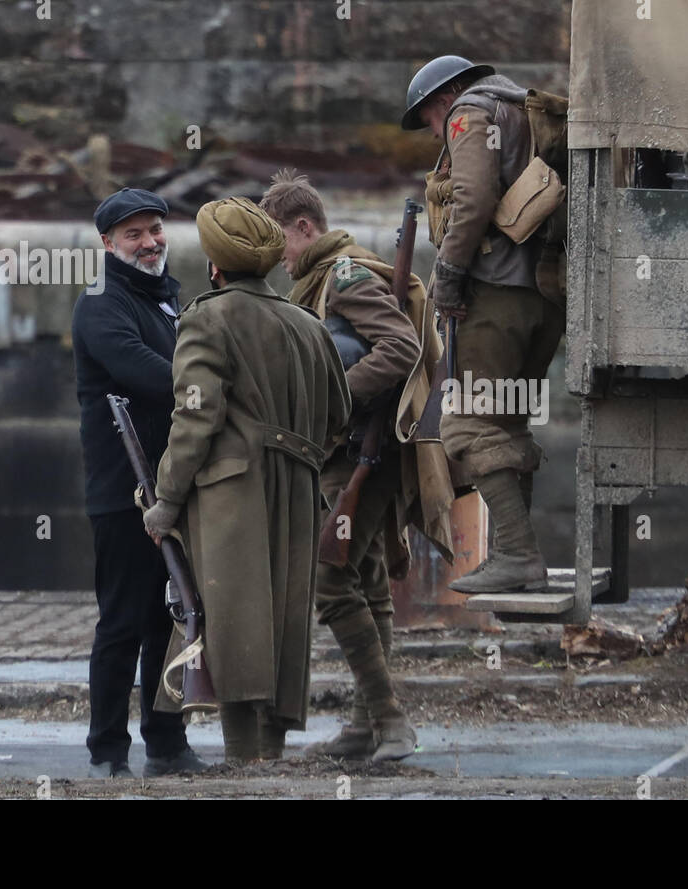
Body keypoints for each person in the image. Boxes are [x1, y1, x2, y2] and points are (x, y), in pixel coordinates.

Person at [142, 197, 352, 764]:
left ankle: (242, 761)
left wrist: (165, 498)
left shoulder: (206, 318)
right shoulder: (308, 324)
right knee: (283, 623)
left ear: (215, 265)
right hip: (302, 489)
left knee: (232, 620)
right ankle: (270, 756)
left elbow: (195, 417)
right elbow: (338, 416)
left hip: (230, 495)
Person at [259, 169, 426, 761]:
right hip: (343, 455)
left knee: (330, 582)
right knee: (368, 583)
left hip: (363, 453)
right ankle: (363, 729)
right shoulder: (318, 281)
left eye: (279, 241)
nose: (277, 258)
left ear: (304, 228)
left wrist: (335, 397)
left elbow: (400, 349)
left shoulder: (344, 276)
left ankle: (391, 720)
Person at [401, 55, 567, 595]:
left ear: (443, 98)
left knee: (467, 426)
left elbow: (472, 200)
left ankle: (518, 556)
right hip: (542, 298)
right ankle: (515, 559)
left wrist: (446, 277)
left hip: (493, 300)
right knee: (508, 425)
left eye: (428, 118)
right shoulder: (526, 109)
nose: (433, 131)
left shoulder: (470, 114)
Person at [71, 187, 206, 778]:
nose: (150, 242)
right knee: (124, 623)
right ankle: (106, 752)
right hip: (124, 493)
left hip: (173, 488)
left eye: (155, 230)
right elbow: (142, 371)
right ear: (107, 243)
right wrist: (209, 387)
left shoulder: (168, 299)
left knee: (171, 619)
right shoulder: (101, 302)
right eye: (134, 234)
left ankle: (167, 743)